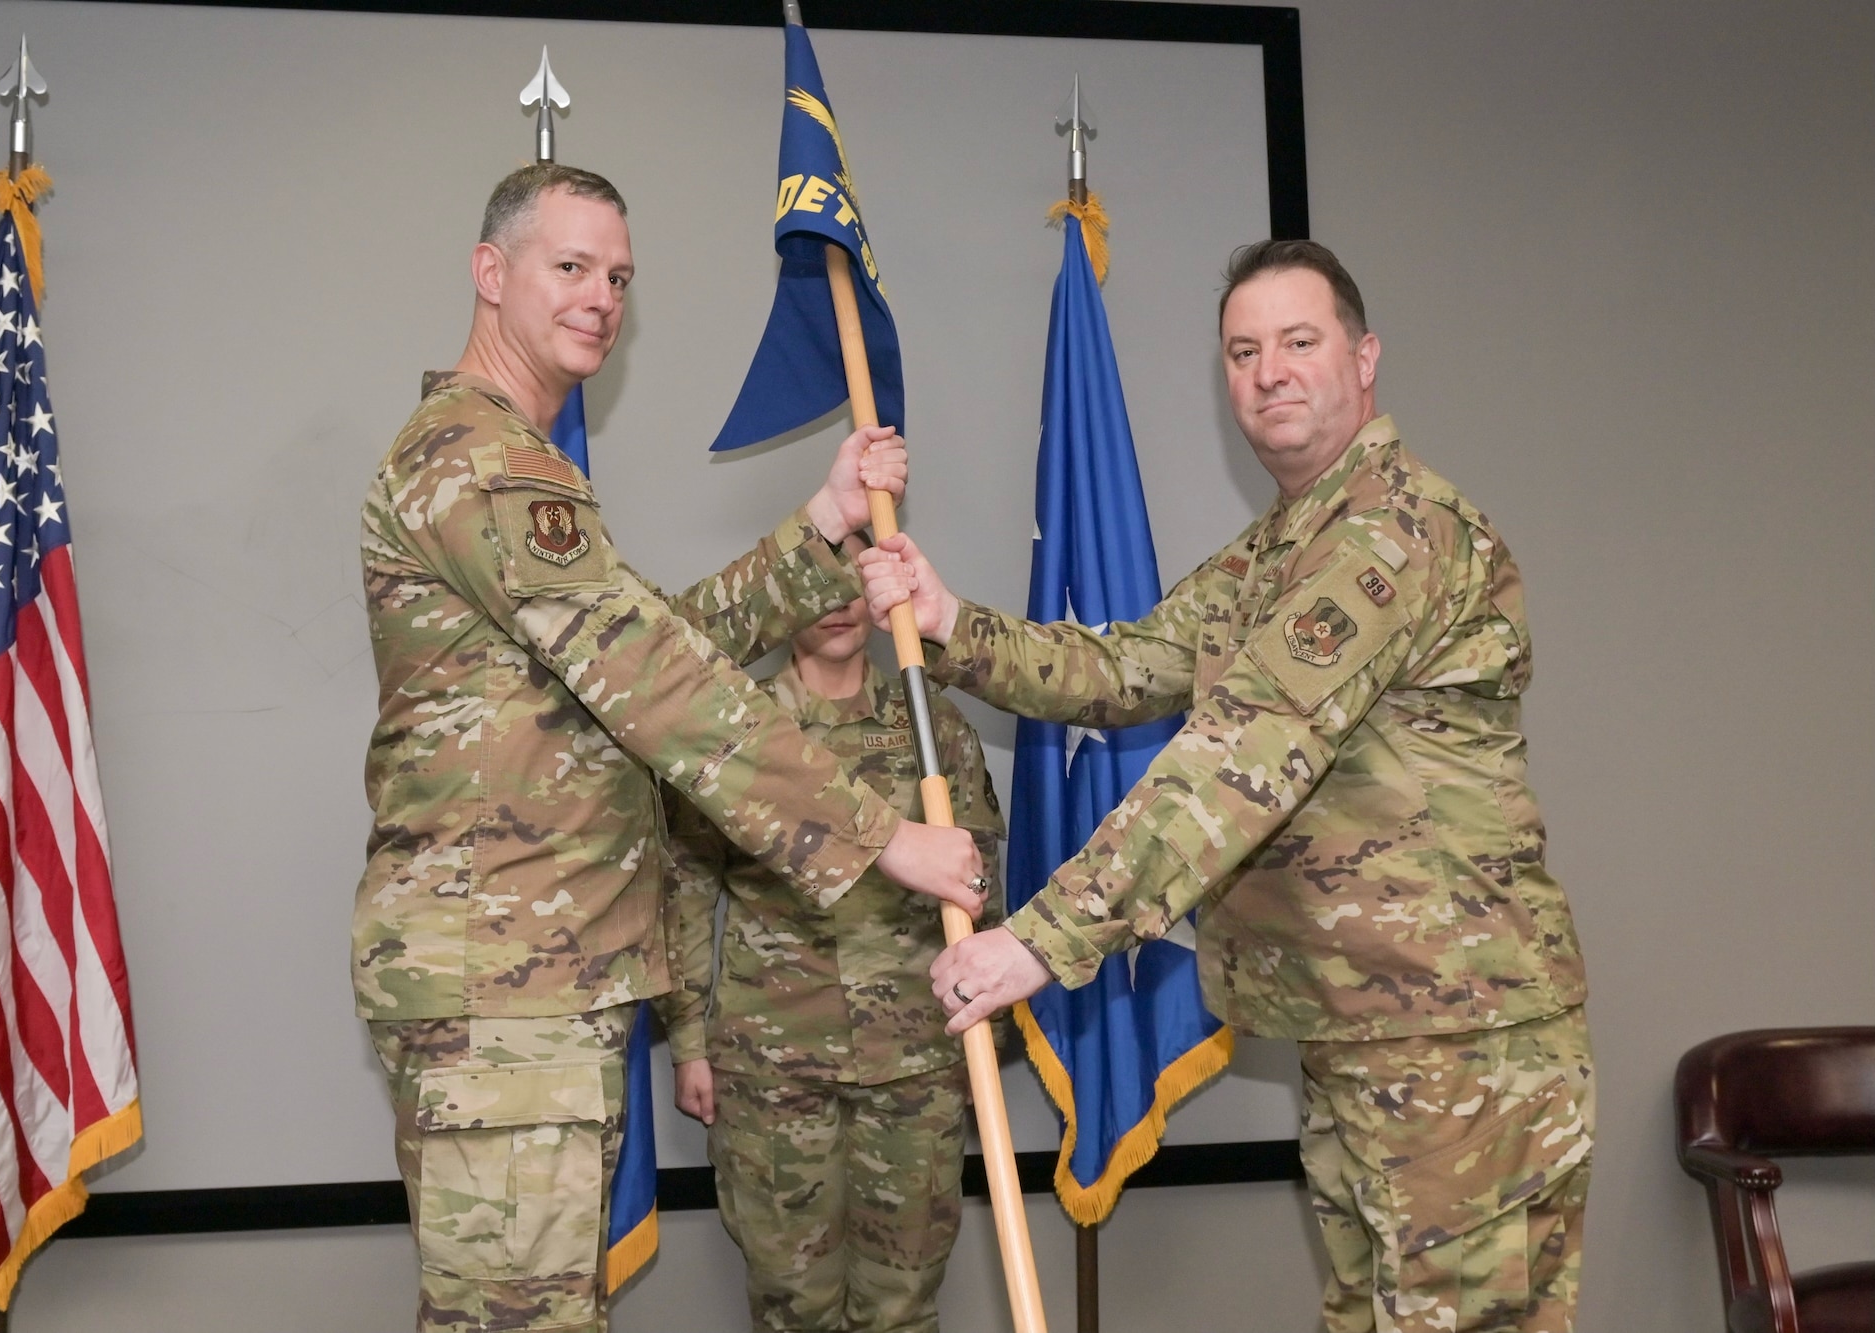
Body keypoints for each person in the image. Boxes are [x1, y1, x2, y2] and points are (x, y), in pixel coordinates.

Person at [861, 239, 1594, 1333]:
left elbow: (1243, 755)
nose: (1268, 373)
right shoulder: (1278, 552)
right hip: (1361, 1035)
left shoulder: (1393, 531)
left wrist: (1038, 941)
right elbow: (1129, 666)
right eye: (1242, 352)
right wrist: (951, 623)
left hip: (1456, 1041)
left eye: (1299, 342)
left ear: (1363, 356)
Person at [355, 163, 985, 1333]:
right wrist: (878, 835)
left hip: (540, 979)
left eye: (619, 276)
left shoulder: (518, 463)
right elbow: (649, 679)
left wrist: (822, 526)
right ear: (491, 275)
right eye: (571, 266)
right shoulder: (475, 457)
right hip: (505, 982)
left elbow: (655, 641)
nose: (601, 296)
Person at [654, 553, 1004, 1333]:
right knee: (792, 1307)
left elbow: (983, 877)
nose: (835, 602)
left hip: (916, 1059)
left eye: (852, 579)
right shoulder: (738, 733)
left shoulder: (931, 725)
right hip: (773, 1068)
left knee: (903, 1307)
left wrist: (984, 1034)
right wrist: (687, 1042)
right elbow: (682, 888)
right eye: (814, 580)